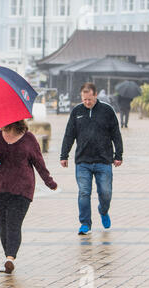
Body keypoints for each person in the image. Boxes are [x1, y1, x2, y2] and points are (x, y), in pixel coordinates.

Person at [0, 120, 57, 274]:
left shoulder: (29, 138)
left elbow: (39, 163)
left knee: (13, 223)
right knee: (3, 225)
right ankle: (8, 257)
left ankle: (10, 258)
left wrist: (49, 182)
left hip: (22, 189)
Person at [60, 83, 123, 235]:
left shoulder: (107, 111)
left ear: (95, 95)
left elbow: (116, 134)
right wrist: (64, 155)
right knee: (84, 193)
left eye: (89, 99)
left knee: (106, 193)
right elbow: (69, 134)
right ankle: (85, 224)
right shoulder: (77, 111)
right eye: (84, 99)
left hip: (104, 160)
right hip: (83, 161)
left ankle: (103, 210)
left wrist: (118, 155)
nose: (87, 102)